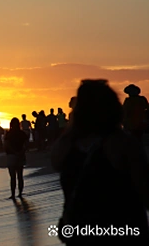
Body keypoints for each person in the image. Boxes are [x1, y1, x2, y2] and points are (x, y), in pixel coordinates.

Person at [52, 79, 149, 245]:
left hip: (81, 232)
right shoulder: (123, 143)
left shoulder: (65, 145)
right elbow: (145, 191)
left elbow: (58, 167)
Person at [4, 118, 28, 200]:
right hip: (20, 155)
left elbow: (7, 145)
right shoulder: (22, 133)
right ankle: (19, 193)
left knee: (13, 177)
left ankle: (13, 194)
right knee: (19, 176)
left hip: (11, 156)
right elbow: (25, 144)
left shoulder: (8, 134)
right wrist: (21, 152)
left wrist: (14, 152)